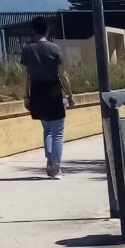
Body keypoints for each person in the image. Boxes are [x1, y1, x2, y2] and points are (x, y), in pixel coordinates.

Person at [20, 18, 75, 178]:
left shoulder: (27, 49)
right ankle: (55, 166)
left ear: (33, 30)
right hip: (53, 90)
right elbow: (63, 75)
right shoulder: (55, 48)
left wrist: (25, 96)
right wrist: (70, 95)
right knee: (57, 131)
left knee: (48, 130)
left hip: (37, 91)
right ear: (47, 30)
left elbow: (24, 75)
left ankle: (49, 161)